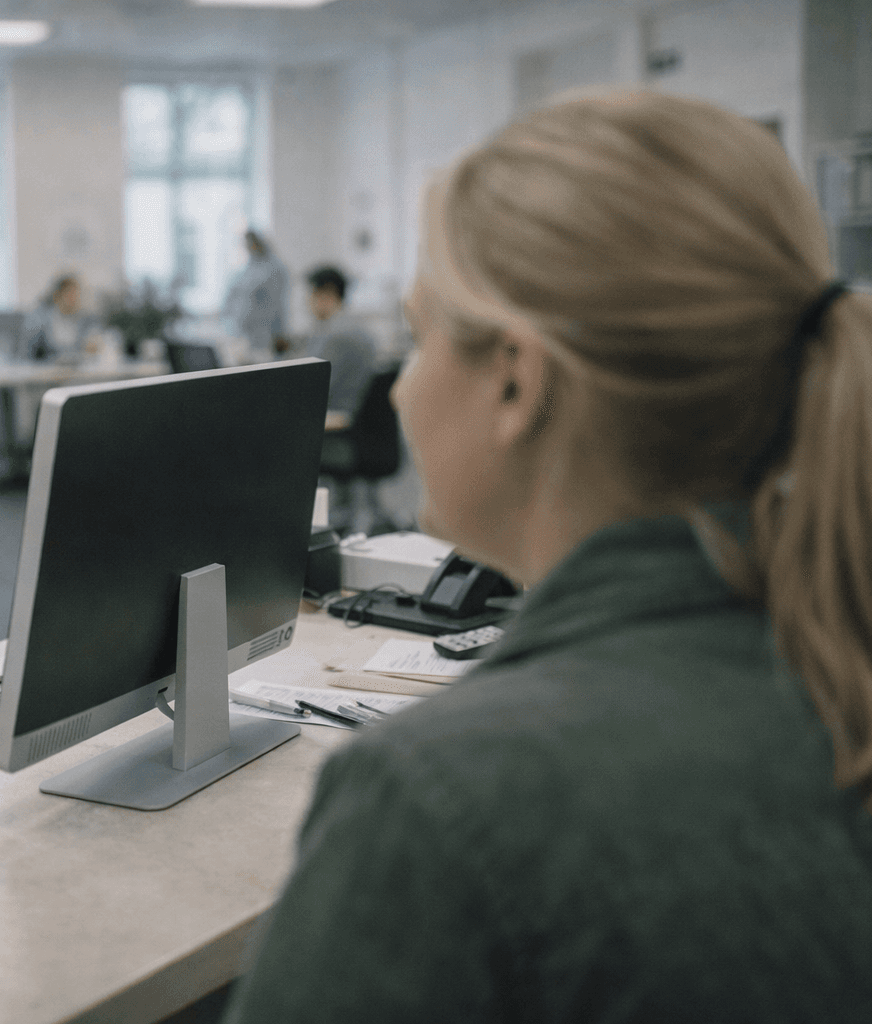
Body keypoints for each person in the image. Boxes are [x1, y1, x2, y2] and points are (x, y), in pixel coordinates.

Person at [225, 91, 872, 1020]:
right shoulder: (829, 658)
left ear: (516, 383)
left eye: (421, 339)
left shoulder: (433, 803)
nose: (403, 390)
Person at [300, 265, 379, 416]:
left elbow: (313, 389)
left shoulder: (336, 336)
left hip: (334, 419)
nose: (307, 302)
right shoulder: (358, 328)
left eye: (310, 294)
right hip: (353, 419)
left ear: (327, 294)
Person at [223, 230, 288, 358]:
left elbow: (279, 304)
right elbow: (233, 297)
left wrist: (280, 334)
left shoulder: (274, 269)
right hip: (242, 335)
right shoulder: (247, 269)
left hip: (264, 339)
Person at [23, 274, 95, 361]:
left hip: (74, 372)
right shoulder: (40, 321)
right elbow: (28, 355)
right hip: (45, 371)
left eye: (76, 295)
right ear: (58, 295)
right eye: (69, 295)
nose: (74, 299)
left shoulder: (84, 321)